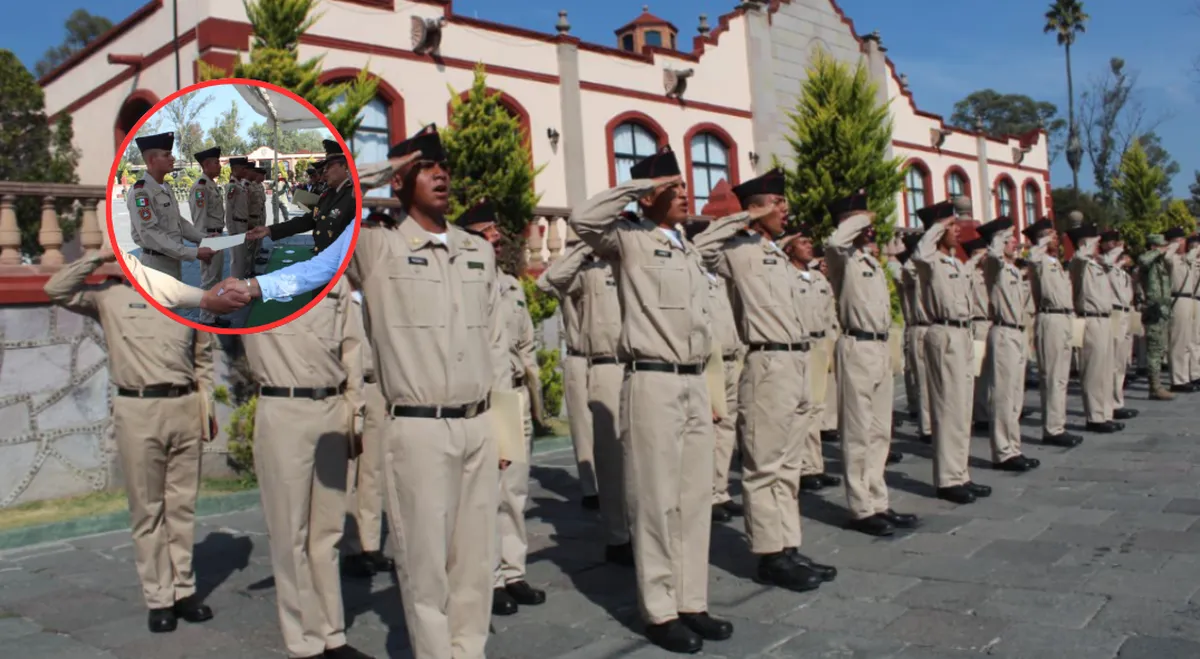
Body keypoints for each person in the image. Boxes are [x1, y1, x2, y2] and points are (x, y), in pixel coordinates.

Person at [347, 124, 509, 659]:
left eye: (443, 166)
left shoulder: (474, 250)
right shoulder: (377, 247)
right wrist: (387, 168)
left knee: (474, 562)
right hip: (416, 428)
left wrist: (503, 433)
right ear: (399, 180)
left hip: (478, 424)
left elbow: (495, 346)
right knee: (424, 567)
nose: (441, 174)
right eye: (425, 167)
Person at [571, 145, 732, 654]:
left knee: (693, 500)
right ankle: (660, 609)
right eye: (675, 186)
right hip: (652, 380)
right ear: (650, 194)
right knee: (656, 501)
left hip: (691, 380)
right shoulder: (629, 239)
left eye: (686, 185)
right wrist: (639, 187)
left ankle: (692, 601)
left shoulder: (685, 246)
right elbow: (583, 219)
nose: (686, 193)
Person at [45, 252, 217, 634]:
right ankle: (159, 597)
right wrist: (100, 257)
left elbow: (203, 356)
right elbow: (56, 289)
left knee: (182, 506)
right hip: (138, 408)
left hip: (185, 406)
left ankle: (184, 589)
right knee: (147, 509)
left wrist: (206, 409)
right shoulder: (109, 297)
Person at [693, 169, 836, 596]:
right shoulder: (735, 250)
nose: (785, 208)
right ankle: (769, 555)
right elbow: (698, 248)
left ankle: (788, 545)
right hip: (766, 362)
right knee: (764, 466)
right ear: (756, 206)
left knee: (789, 467)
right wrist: (742, 217)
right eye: (776, 201)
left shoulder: (776, 252)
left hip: (797, 360)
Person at [242, 276, 370, 659]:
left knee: (328, 532)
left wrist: (354, 414)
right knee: (289, 532)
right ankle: (305, 642)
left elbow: (352, 348)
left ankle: (333, 634)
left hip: (332, 408)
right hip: (283, 408)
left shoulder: (335, 278)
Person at [453, 201, 548, 616]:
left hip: (513, 398)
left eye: (495, 230)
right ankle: (487, 578)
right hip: (483, 400)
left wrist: (533, 388)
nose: (496, 237)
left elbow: (525, 342)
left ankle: (513, 571)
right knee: (484, 494)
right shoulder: (459, 283)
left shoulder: (510, 284)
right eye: (487, 230)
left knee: (514, 492)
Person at [825, 191, 918, 536]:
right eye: (861, 219)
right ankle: (860, 507)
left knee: (880, 431)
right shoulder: (842, 258)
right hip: (856, 346)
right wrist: (862, 218)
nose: (870, 227)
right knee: (858, 431)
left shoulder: (869, 260)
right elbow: (835, 241)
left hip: (878, 347)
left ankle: (879, 500)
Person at [537, 238, 634, 561]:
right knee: (600, 445)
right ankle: (615, 529)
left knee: (637, 454)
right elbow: (547, 282)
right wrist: (582, 248)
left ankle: (638, 523)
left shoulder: (629, 266)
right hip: (596, 360)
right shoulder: (585, 272)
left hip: (635, 364)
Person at [913, 201, 990, 505]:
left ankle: (961, 472)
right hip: (943, 332)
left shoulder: (955, 262)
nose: (957, 229)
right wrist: (935, 226)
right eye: (951, 224)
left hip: (963, 332)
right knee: (947, 409)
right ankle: (947, 479)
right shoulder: (929, 260)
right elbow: (919, 253)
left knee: (962, 409)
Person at [536, 237, 600, 510]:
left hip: (610, 358)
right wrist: (580, 252)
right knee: (582, 425)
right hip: (579, 357)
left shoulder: (613, 269)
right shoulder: (570, 278)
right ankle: (591, 487)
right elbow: (544, 282)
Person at [781, 230, 842, 493]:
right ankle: (803, 468)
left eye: (809, 242)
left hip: (821, 344)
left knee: (817, 406)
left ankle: (815, 465)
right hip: (800, 345)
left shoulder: (818, 278)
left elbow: (830, 314)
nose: (809, 246)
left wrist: (832, 343)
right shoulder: (786, 276)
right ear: (790, 249)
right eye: (802, 242)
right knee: (802, 408)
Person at [341, 286, 395, 580]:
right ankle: (350, 546)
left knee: (373, 469)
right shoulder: (336, 296)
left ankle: (370, 543)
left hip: (375, 386)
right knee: (349, 470)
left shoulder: (374, 299)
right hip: (348, 387)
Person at [978, 218, 1040, 472]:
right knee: (1003, 395)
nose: (1015, 242)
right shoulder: (993, 265)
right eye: (1009, 238)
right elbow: (992, 256)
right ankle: (1003, 452)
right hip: (1003, 331)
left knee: (1015, 396)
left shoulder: (1012, 269)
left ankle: (1014, 447)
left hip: (1017, 332)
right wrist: (997, 239)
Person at [697, 221, 745, 524]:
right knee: (709, 430)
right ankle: (707, 493)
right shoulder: (696, 278)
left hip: (732, 358)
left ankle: (721, 489)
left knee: (727, 428)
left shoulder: (723, 280)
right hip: (710, 362)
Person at [1025, 217, 1084, 448]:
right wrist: (1041, 242)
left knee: (1061, 377)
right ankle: (1052, 429)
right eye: (1050, 234)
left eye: (1055, 233)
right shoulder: (1038, 260)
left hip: (1064, 317)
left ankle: (1058, 425)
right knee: (1051, 377)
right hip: (1050, 318)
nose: (1055, 237)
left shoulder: (1054, 262)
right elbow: (1030, 256)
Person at [127, 132, 215, 278]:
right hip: (156, 264)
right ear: (151, 160)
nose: (172, 158)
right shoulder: (140, 192)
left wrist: (203, 238)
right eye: (167, 155)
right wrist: (192, 252)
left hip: (172, 258)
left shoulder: (165, 187)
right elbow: (150, 233)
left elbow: (178, 221)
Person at [251, 140, 357, 254]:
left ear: (346, 166)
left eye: (329, 166)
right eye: (324, 167)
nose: (325, 172)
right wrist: (269, 230)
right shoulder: (329, 194)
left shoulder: (354, 197)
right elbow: (308, 220)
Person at [1067, 223, 1122, 434]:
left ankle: (1105, 413)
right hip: (1091, 319)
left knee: (1107, 369)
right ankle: (1095, 416)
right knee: (1094, 371)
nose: (1097, 245)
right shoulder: (1078, 264)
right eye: (1093, 241)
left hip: (1106, 319)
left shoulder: (1096, 264)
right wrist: (1087, 246)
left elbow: (1108, 262)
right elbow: (1079, 259)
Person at [188, 147, 229, 327]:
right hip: (209, 237)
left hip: (218, 235)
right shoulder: (201, 188)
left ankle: (213, 315)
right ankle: (206, 319)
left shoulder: (211, 185)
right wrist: (202, 243)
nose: (219, 166)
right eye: (216, 162)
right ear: (205, 165)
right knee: (209, 280)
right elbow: (199, 219)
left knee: (216, 279)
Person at [900, 233, 934, 444]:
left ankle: (935, 422)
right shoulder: (909, 269)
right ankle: (927, 427)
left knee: (935, 380)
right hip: (918, 327)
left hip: (934, 327)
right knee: (922, 380)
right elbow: (909, 271)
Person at [1101, 231, 1138, 418]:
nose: (1116, 246)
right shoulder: (1103, 263)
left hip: (1126, 312)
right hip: (1114, 312)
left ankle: (1117, 400)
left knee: (1122, 362)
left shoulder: (1120, 269)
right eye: (1112, 243)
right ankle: (1110, 403)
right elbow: (1107, 263)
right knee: (1113, 361)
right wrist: (1118, 254)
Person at [1138, 233, 1176, 400]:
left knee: (1159, 350)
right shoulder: (1148, 262)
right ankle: (1155, 387)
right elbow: (1143, 260)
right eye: (1161, 246)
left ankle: (1158, 384)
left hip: (1162, 311)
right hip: (1152, 311)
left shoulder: (1159, 264)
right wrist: (1158, 252)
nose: (1164, 249)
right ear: (1153, 247)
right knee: (1153, 351)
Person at [965, 237, 992, 432]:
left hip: (994, 323)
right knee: (980, 374)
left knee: (992, 373)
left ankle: (991, 408)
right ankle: (981, 414)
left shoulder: (990, 274)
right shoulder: (971, 275)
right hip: (979, 324)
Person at [225, 157, 252, 278]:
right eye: (243, 169)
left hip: (243, 225)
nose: (245, 171)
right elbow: (229, 209)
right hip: (236, 226)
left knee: (243, 257)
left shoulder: (239, 185)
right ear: (235, 169)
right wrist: (231, 230)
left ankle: (241, 283)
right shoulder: (232, 186)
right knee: (237, 260)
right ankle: (236, 286)